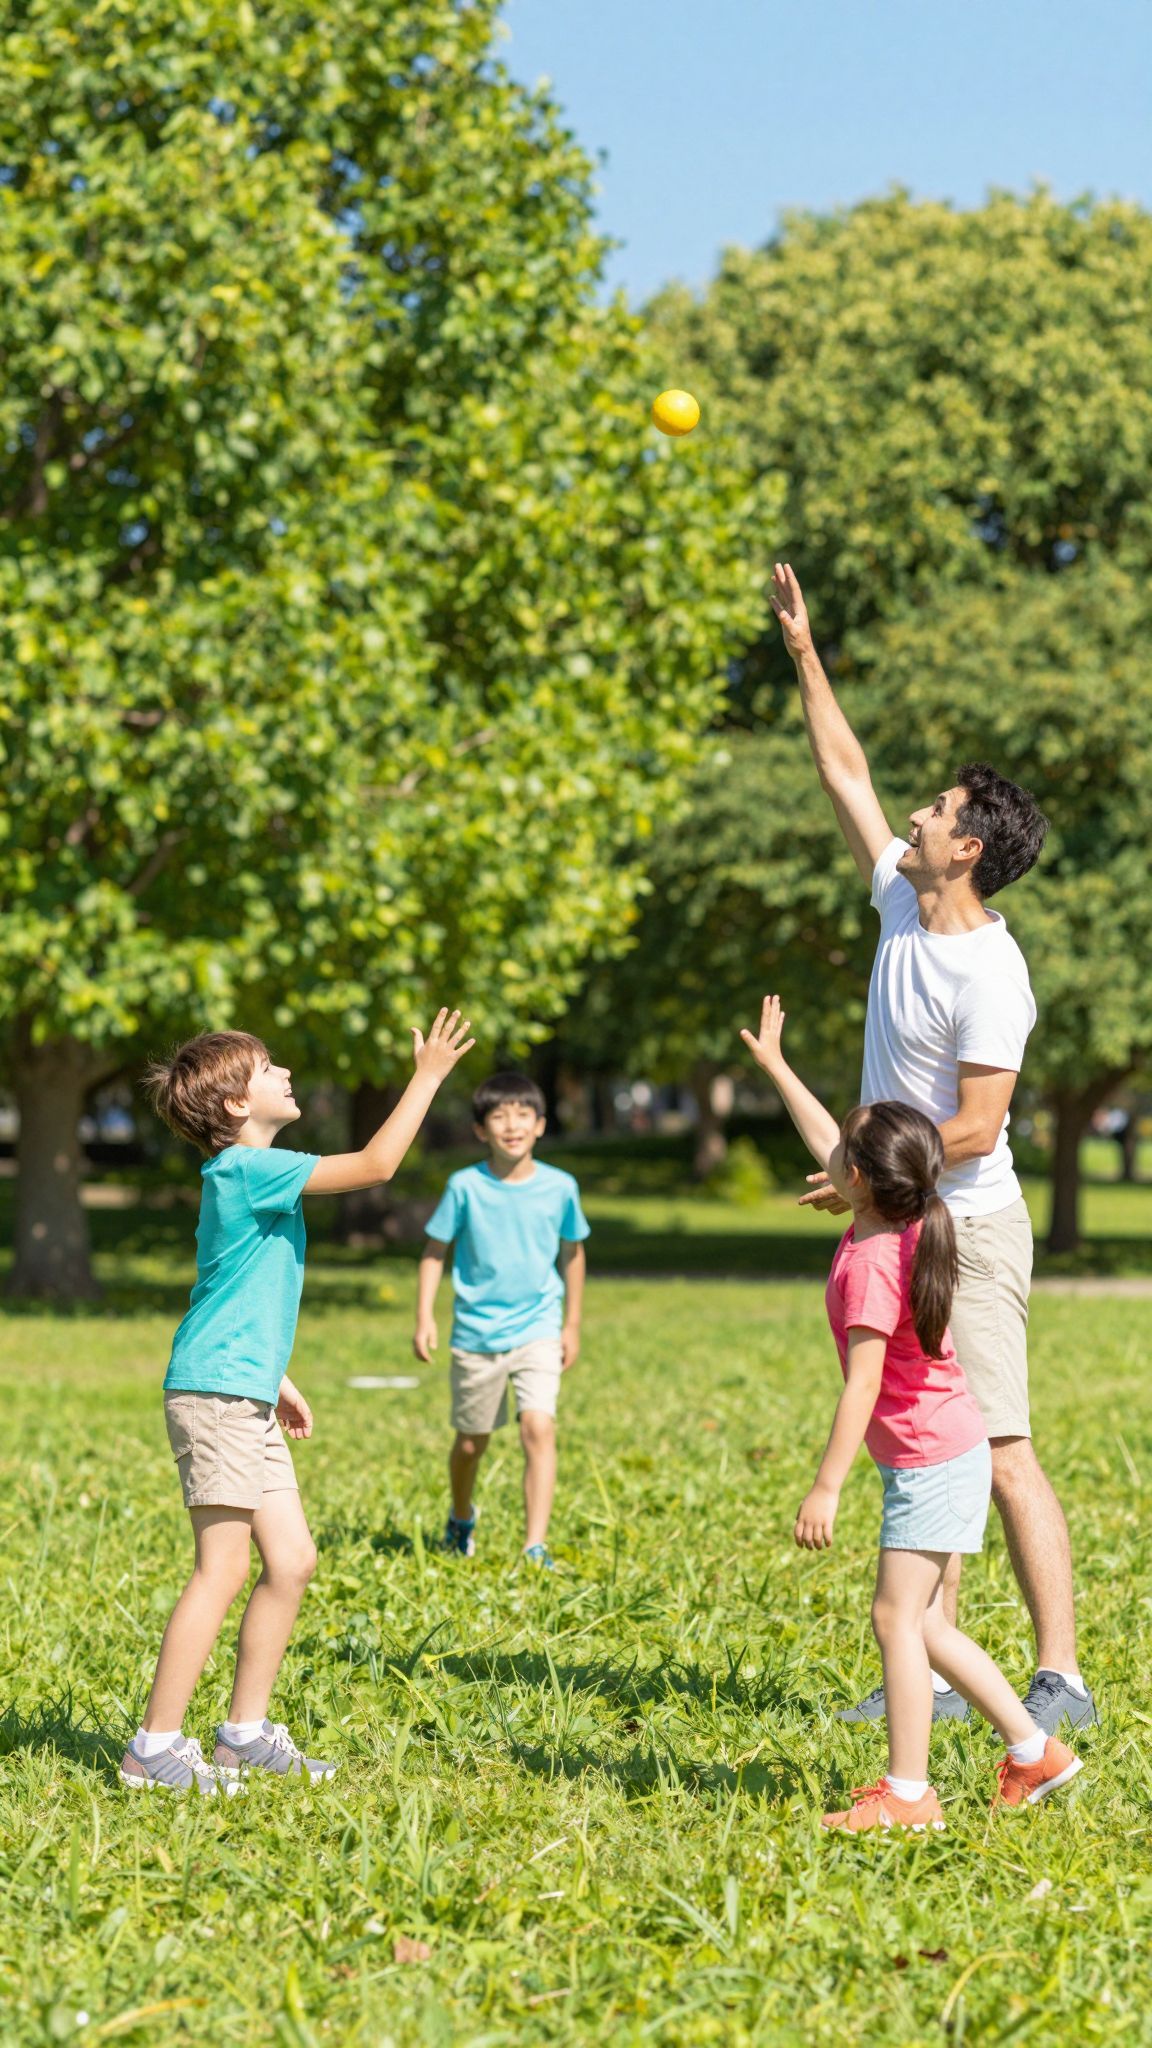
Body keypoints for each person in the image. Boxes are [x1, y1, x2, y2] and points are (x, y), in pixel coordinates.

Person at [771, 562, 1095, 1738]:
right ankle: (937, 1653)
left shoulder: (989, 973)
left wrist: (872, 1173)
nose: (912, 815)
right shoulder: (903, 900)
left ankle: (1056, 1672)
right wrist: (806, 651)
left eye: (935, 812)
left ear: (967, 849)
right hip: (903, 1208)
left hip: (969, 1218)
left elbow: (978, 1127)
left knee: (996, 1440)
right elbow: (844, 773)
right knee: (926, 1432)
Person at [742, 996, 1082, 1831]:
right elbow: (831, 1133)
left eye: (842, 1151)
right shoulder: (903, 1221)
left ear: (854, 1180)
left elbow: (861, 1387)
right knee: (925, 1623)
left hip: (930, 1458)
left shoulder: (870, 1262)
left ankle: (907, 1795)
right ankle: (1035, 1752)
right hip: (946, 1448)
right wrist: (779, 1068)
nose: (831, 1154)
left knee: (896, 1618)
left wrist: (825, 1488)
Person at [121, 1009, 474, 1796]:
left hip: (240, 1386)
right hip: (214, 1394)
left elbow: (228, 1283)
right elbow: (380, 1164)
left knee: (293, 1560)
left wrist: (273, 1376)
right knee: (223, 1567)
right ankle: (154, 1747)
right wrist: (428, 1078)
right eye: (269, 1067)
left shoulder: (248, 1176)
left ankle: (243, 1735)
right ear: (237, 1107)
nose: (285, 1073)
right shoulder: (247, 1170)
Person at [414, 1071, 589, 1570]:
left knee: (538, 1426)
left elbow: (572, 1253)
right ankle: (461, 1514)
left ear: (540, 1125)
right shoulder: (465, 1186)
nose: (511, 1124)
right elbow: (433, 1251)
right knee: (471, 1442)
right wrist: (425, 1315)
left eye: (522, 1114)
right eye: (498, 1115)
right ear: (480, 1129)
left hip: (538, 1327)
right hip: (476, 1334)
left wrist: (571, 1323)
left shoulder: (560, 1187)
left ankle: (535, 1545)